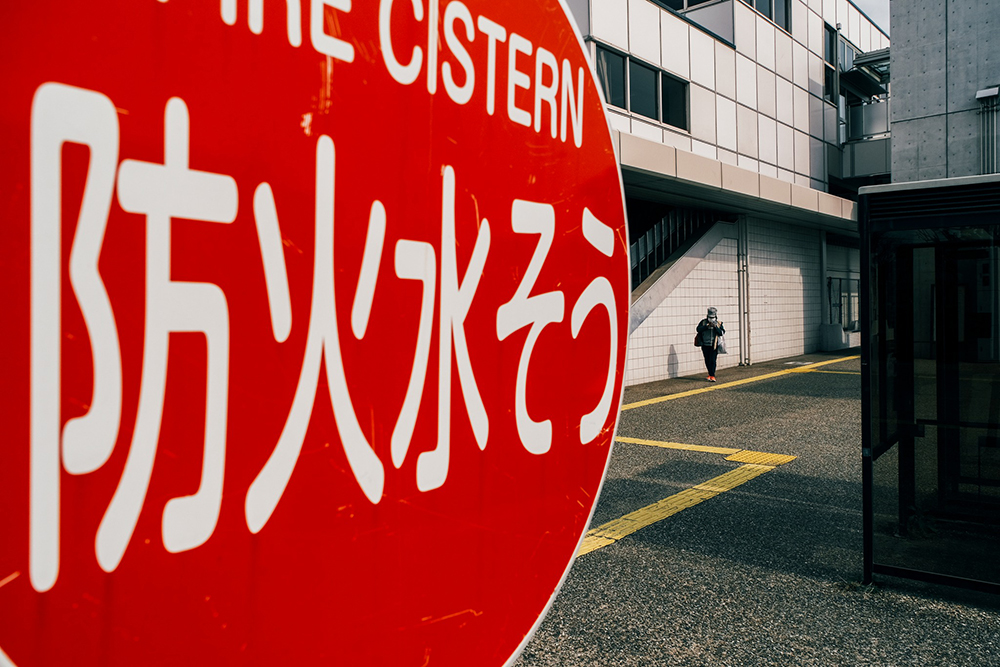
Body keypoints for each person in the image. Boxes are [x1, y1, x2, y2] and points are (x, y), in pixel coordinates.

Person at [696, 307, 725, 382]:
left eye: (712, 317)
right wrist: (706, 326)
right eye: (710, 317)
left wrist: (715, 327)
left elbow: (721, 333)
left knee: (712, 360)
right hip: (705, 344)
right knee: (707, 360)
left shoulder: (719, 323)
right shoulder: (703, 322)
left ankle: (712, 375)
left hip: (714, 345)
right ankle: (710, 374)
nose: (711, 319)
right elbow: (698, 329)